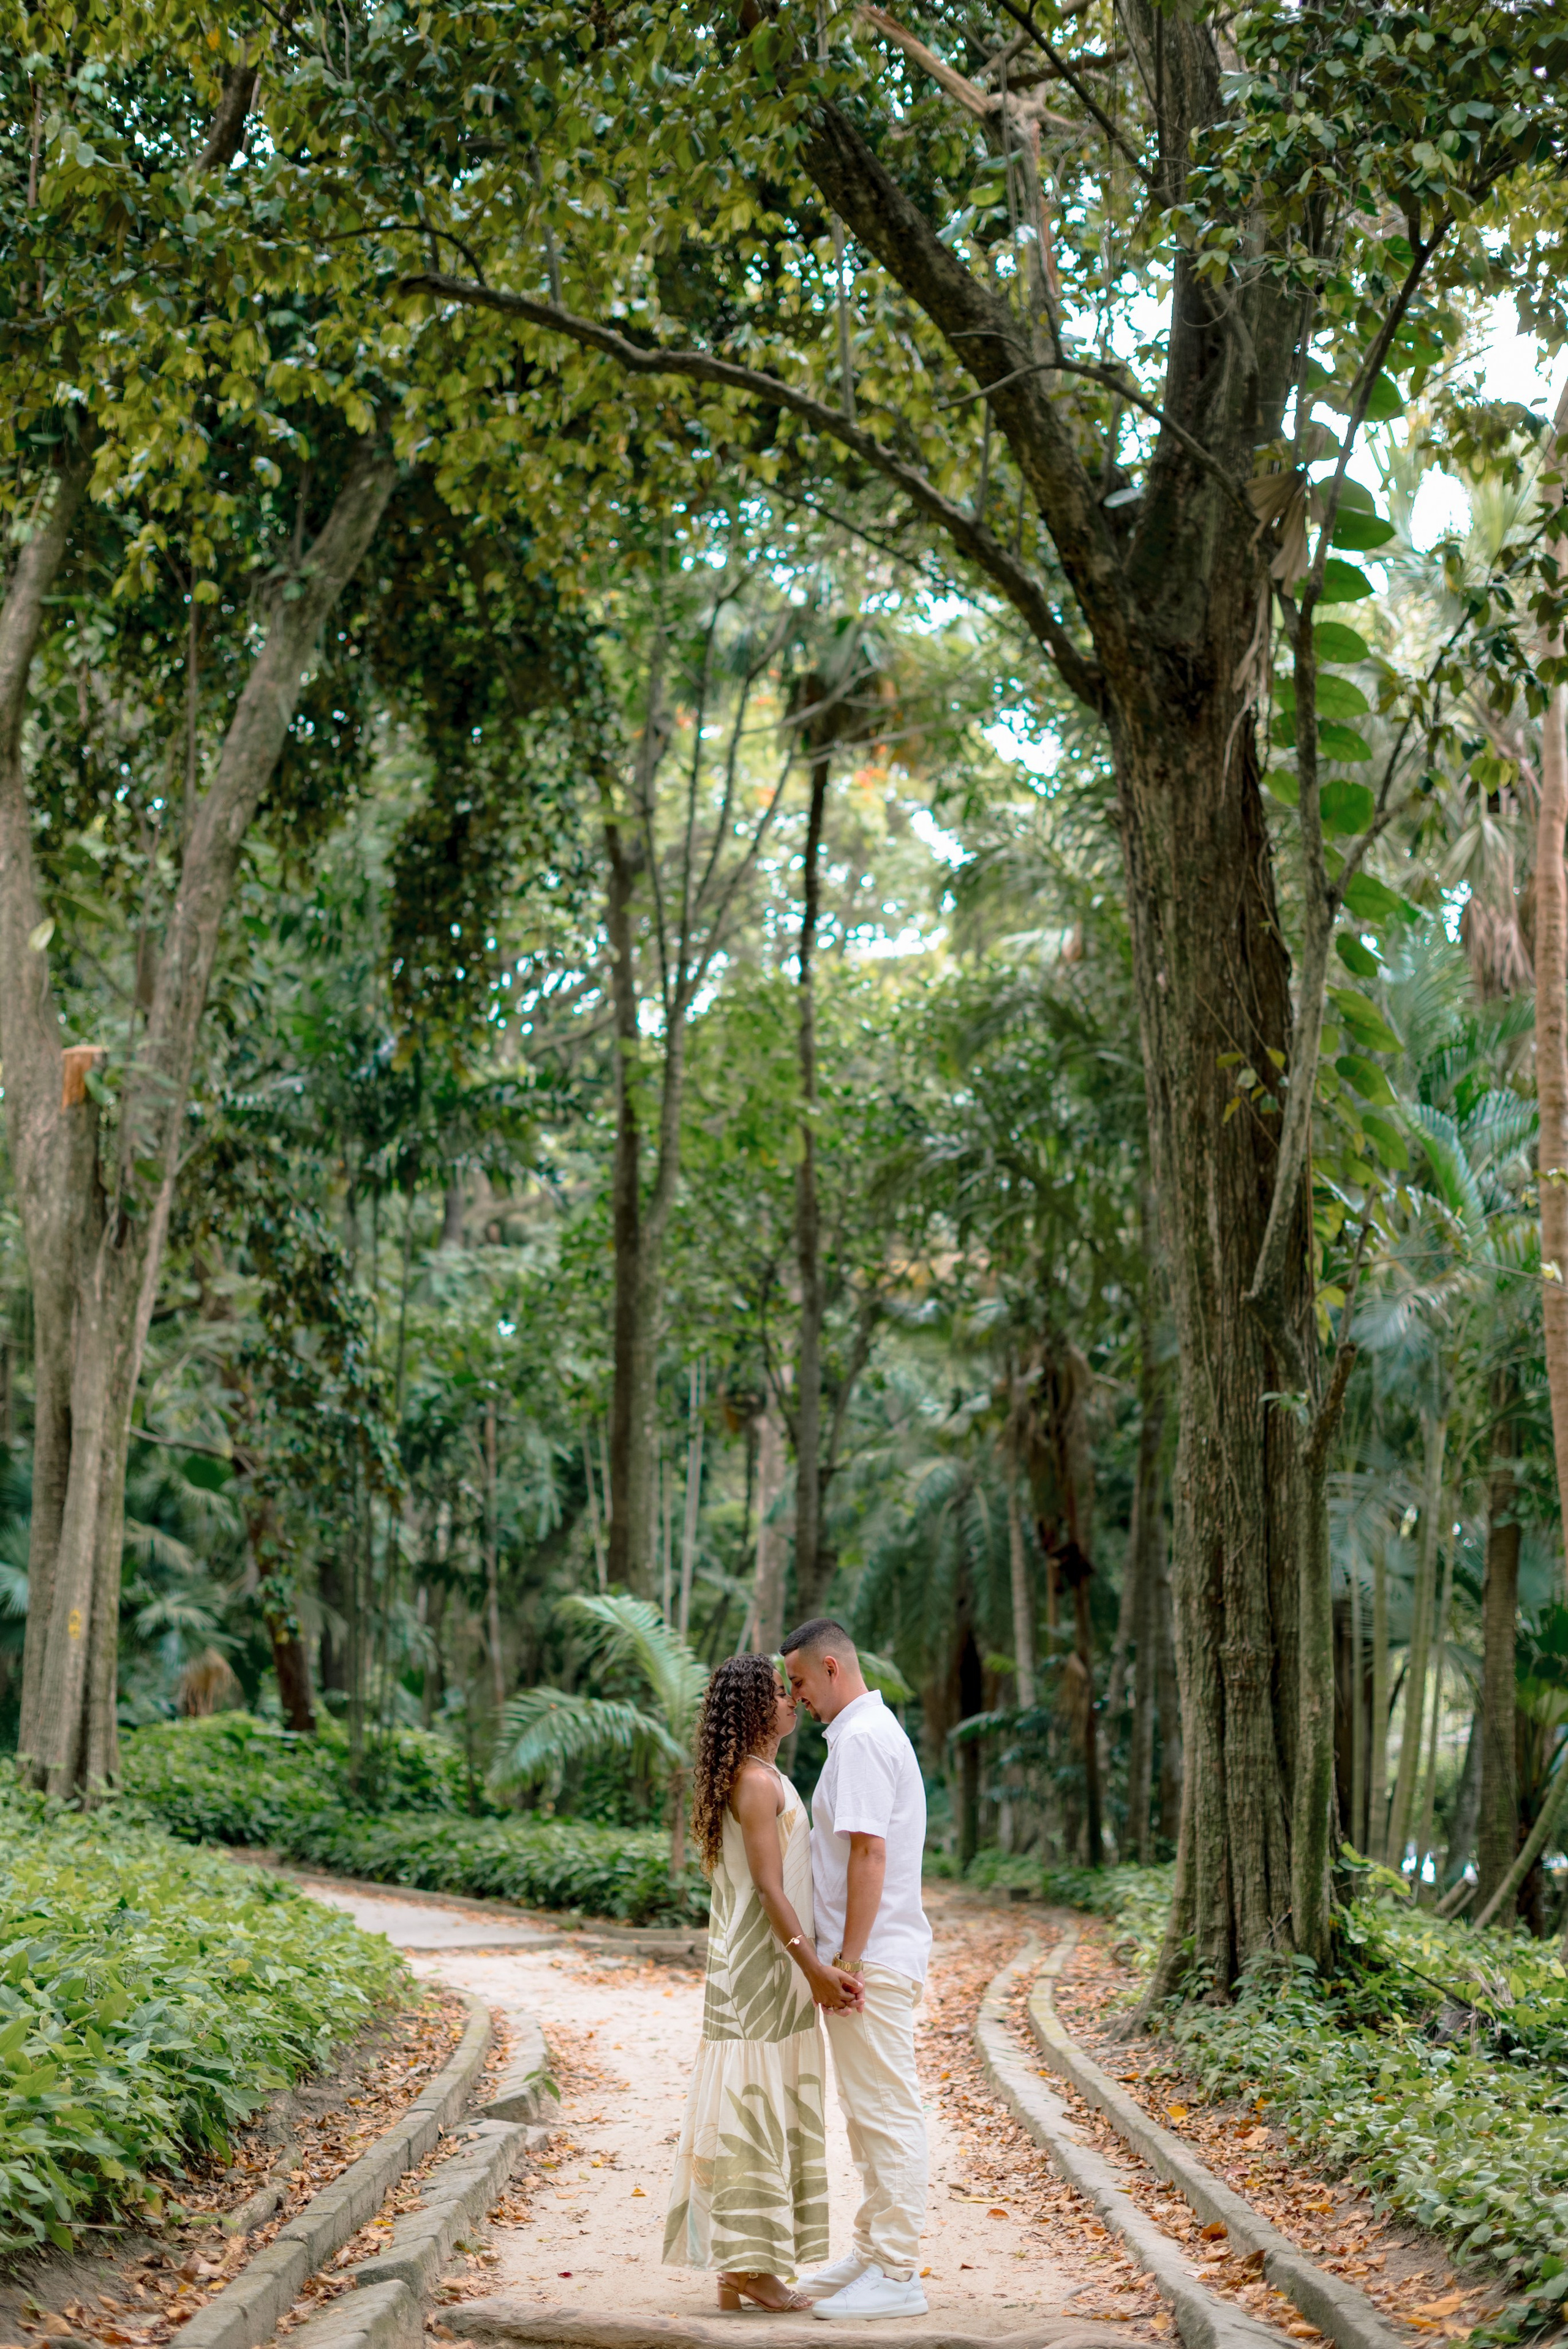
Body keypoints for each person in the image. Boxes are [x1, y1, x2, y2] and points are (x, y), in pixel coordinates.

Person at [663, 1652, 867, 2313]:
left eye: (790, 1691)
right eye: (778, 1694)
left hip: (759, 1968)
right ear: (753, 1710)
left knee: (758, 2104)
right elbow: (770, 1889)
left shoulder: (761, 1775)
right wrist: (814, 1969)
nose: (790, 1702)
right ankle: (750, 2267)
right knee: (754, 2107)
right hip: (761, 1970)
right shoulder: (755, 1782)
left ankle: (740, 2267)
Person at [782, 1617, 933, 2323]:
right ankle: (871, 2253)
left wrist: (845, 1959)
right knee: (866, 2114)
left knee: (886, 2111)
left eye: (801, 1682)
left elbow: (868, 1853)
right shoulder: (858, 1737)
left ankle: (898, 2271)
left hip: (868, 1959)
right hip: (867, 1955)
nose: (796, 1697)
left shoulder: (865, 1741)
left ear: (834, 1668)